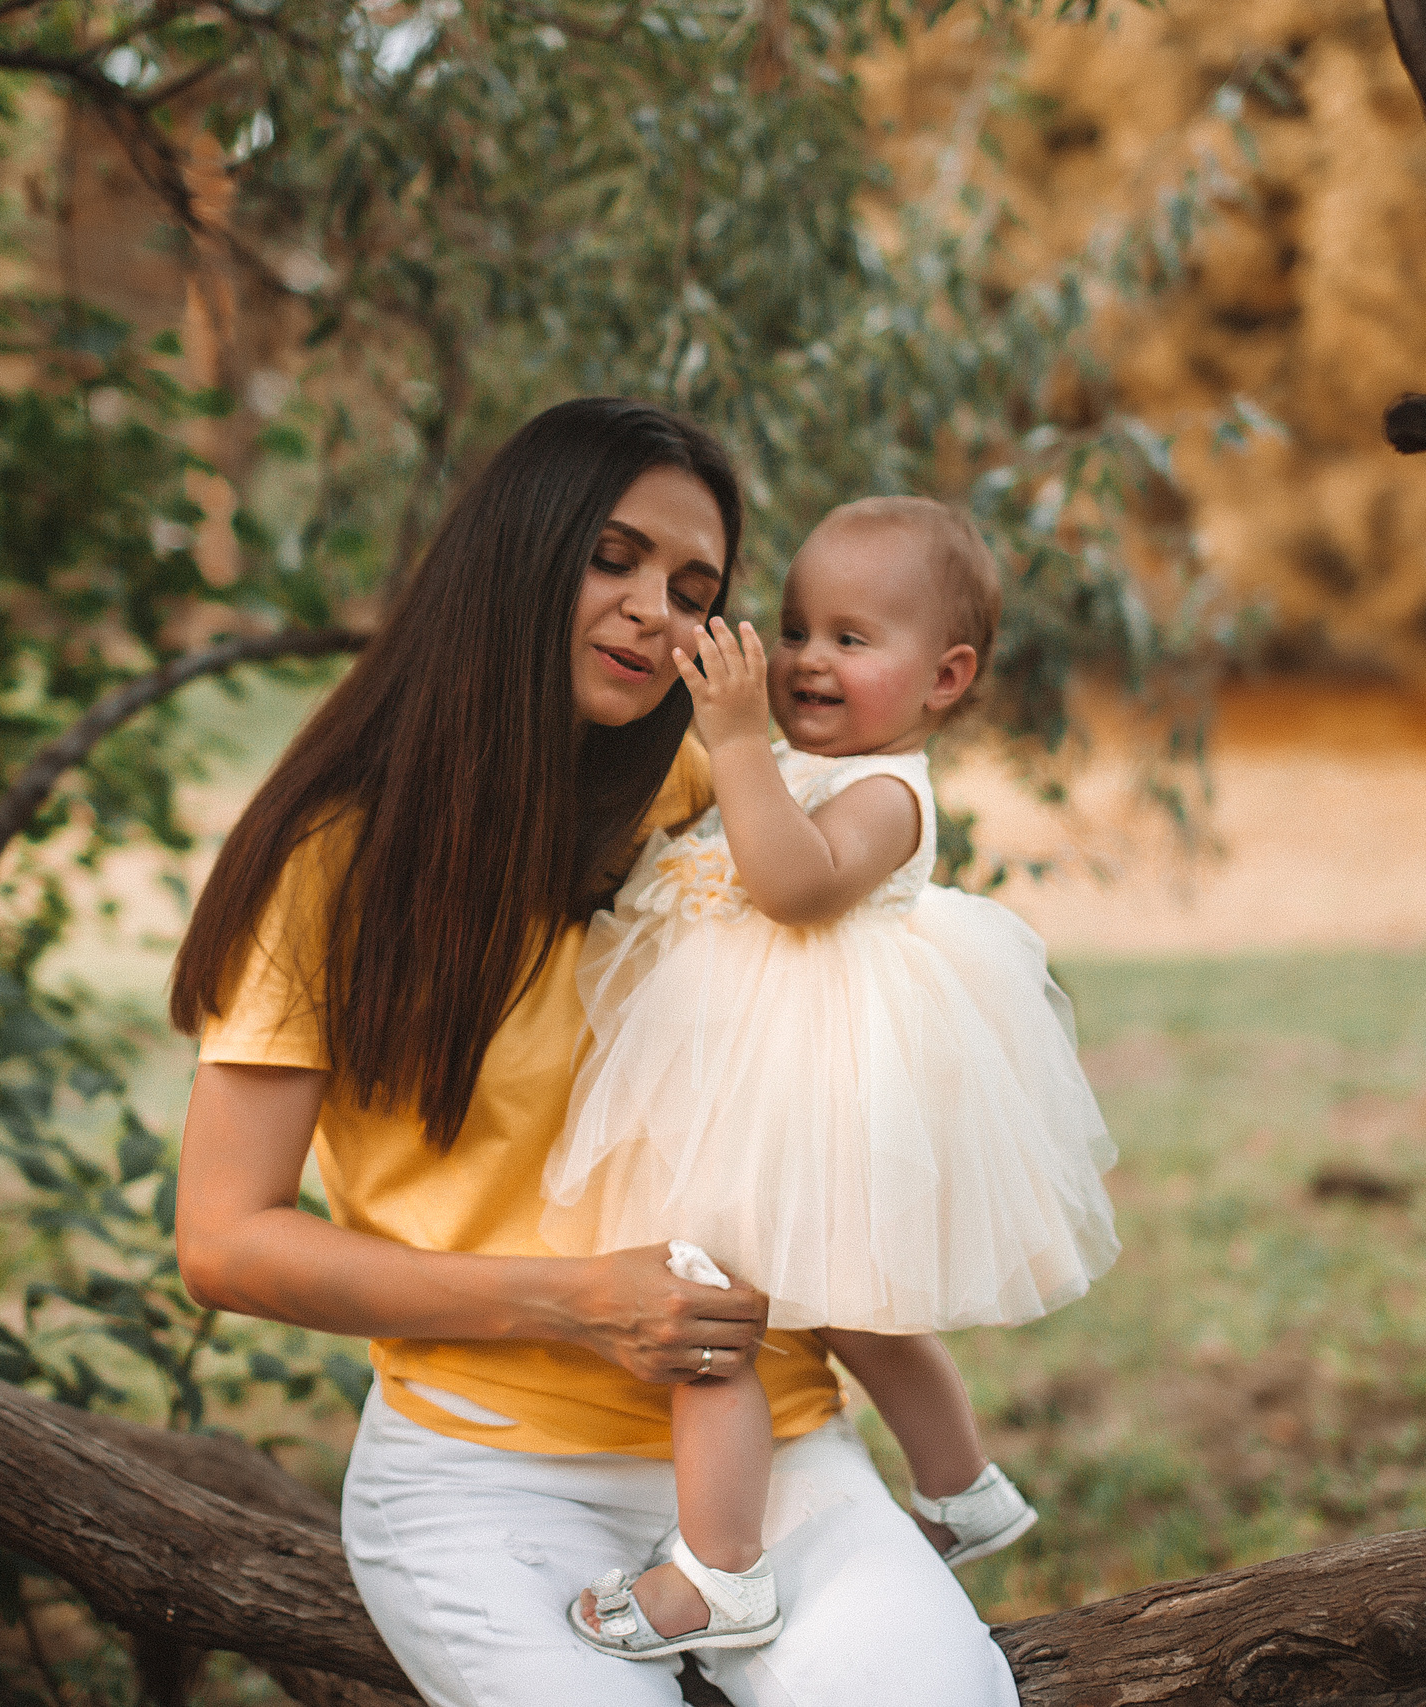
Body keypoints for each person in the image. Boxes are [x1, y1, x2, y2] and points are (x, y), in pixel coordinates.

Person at [170, 401, 1017, 1706]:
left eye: (693, 588)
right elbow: (225, 1239)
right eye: (610, 557)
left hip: (775, 1450)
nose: (653, 612)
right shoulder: (333, 864)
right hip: (484, 1465)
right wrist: (574, 1299)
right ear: (515, 554)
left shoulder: (697, 792)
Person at [541, 497, 1119, 1659]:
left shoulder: (886, 793)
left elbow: (794, 887)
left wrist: (739, 744)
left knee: (711, 1314)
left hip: (800, 1082)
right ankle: (964, 1491)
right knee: (852, 1307)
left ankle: (721, 1574)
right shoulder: (812, 764)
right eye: (798, 626)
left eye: (852, 640)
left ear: (943, 677)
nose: (807, 658)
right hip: (754, 1074)